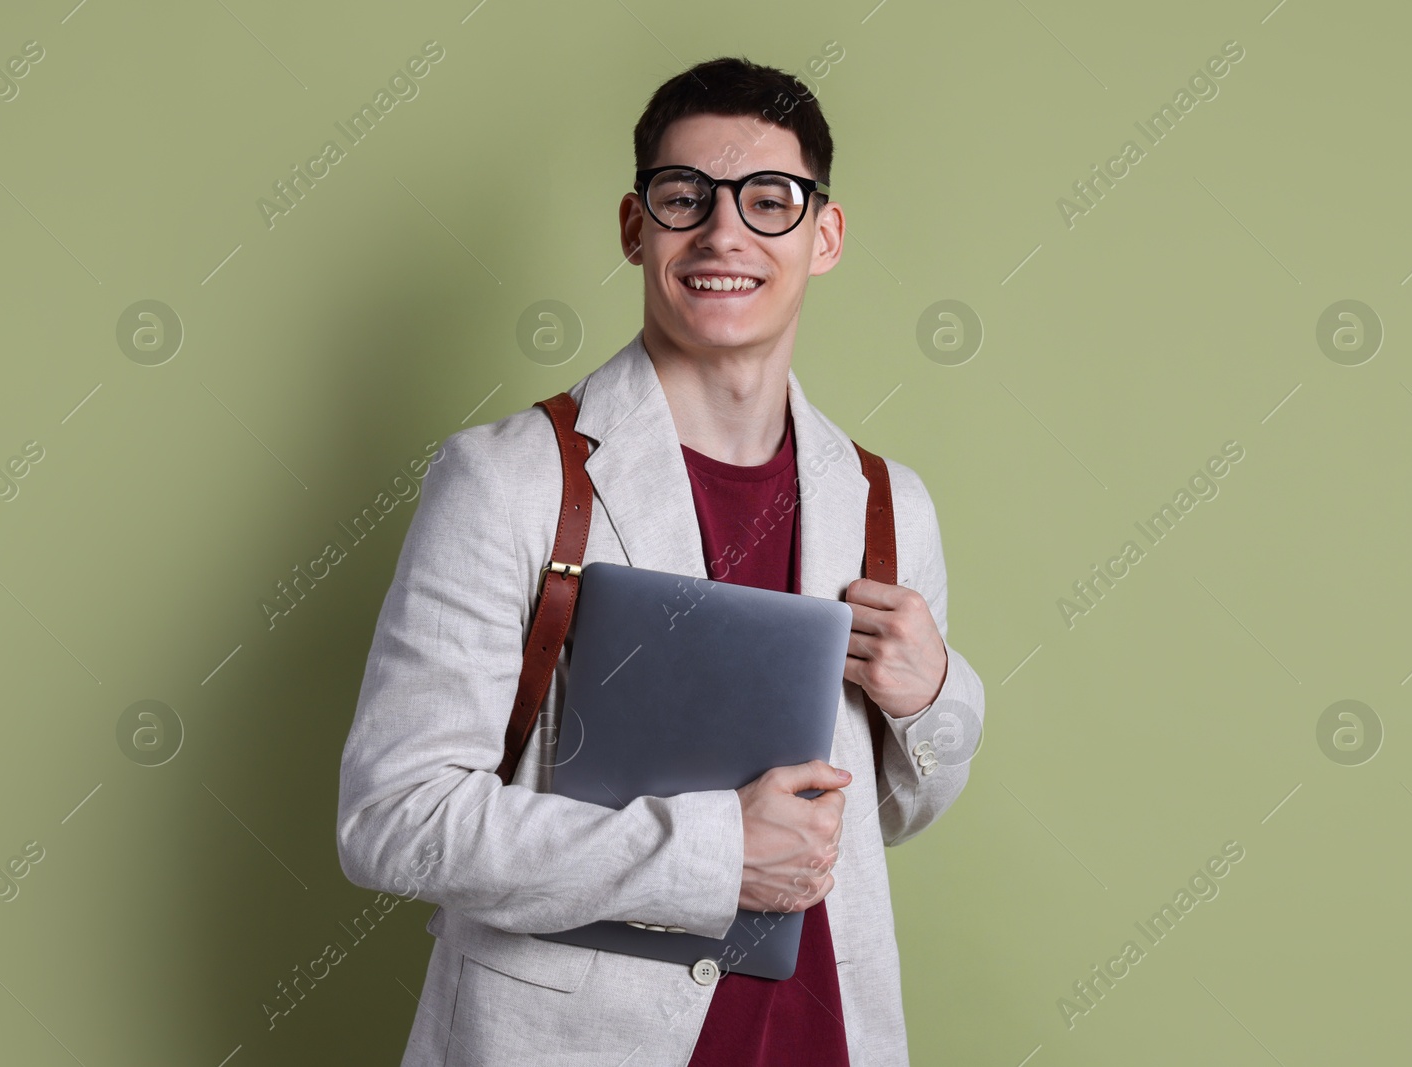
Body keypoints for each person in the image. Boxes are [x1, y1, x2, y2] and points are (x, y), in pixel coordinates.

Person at [336, 55, 985, 1066]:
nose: (724, 232)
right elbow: (394, 820)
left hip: (822, 1036)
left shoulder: (887, 502)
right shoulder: (505, 481)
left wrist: (933, 695)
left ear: (825, 236)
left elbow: (885, 815)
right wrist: (717, 853)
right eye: (686, 198)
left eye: (769, 200)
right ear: (638, 227)